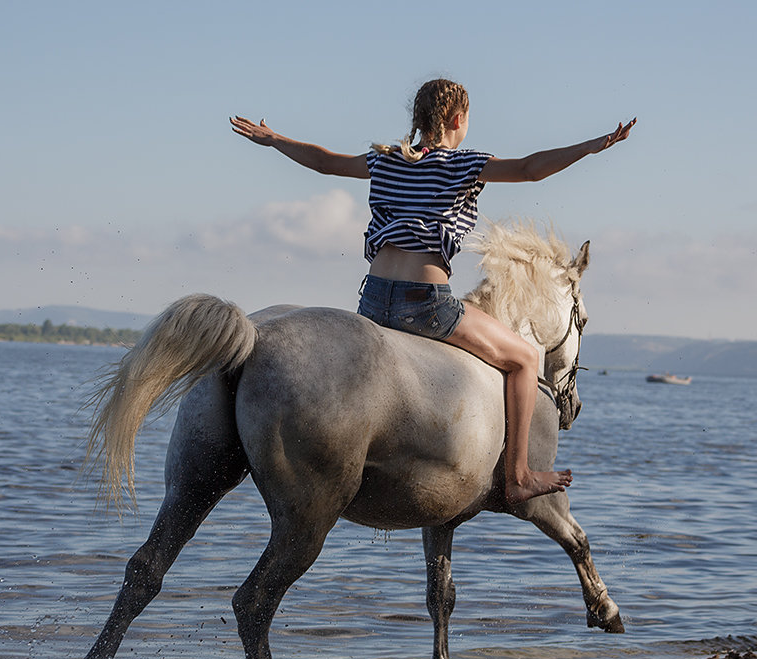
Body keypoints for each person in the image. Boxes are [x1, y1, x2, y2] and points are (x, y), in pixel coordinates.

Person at [231, 78, 634, 505]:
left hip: (371, 302)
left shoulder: (384, 160)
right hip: (424, 305)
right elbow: (531, 169)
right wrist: (591, 146)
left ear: (418, 119)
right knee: (524, 358)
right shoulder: (464, 164)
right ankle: (519, 475)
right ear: (457, 119)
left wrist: (274, 139)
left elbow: (324, 162)